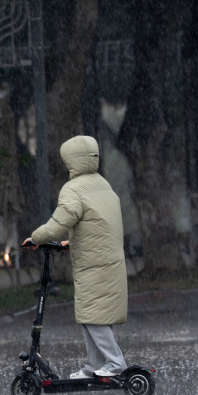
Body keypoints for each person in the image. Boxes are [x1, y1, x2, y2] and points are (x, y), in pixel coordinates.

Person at [23, 135, 128, 378]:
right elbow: (99, 224)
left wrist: (36, 238)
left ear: (72, 161)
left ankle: (115, 363)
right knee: (94, 316)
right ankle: (93, 366)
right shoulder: (103, 184)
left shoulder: (73, 189)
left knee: (92, 316)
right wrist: (74, 241)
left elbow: (60, 222)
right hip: (109, 261)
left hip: (94, 265)